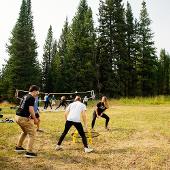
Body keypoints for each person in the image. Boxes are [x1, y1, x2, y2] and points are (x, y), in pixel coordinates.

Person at [15, 85, 40, 158]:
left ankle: (18, 147)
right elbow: (31, 109)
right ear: (34, 91)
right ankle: (29, 152)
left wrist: (28, 115)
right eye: (37, 91)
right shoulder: (31, 98)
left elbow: (23, 106)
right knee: (32, 133)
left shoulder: (25, 96)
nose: (37, 93)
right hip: (22, 118)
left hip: (17, 116)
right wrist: (35, 118)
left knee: (25, 132)